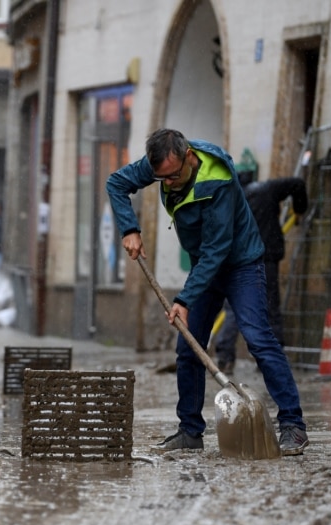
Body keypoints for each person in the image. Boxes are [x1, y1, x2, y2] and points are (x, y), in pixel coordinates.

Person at [106, 128, 309, 456]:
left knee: (258, 338)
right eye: (162, 180)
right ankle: (190, 431)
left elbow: (218, 249)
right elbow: (116, 183)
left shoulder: (219, 182)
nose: (168, 184)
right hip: (205, 265)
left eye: (173, 176)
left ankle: (293, 425)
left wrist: (184, 299)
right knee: (188, 347)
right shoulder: (162, 165)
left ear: (188, 157)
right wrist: (129, 228)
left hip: (241, 263)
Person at [213, 173, 308, 373]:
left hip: (238, 261)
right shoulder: (267, 189)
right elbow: (298, 183)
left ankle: (224, 358)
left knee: (233, 310)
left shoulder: (229, 202)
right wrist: (300, 210)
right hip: (265, 259)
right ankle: (270, 359)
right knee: (269, 307)